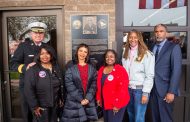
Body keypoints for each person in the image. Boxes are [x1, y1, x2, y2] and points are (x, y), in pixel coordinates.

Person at [10, 21, 48, 122]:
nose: (38, 35)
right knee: (28, 112)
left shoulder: (47, 47)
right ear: (31, 34)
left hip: (43, 86)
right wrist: (25, 67)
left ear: (43, 34)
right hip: (27, 85)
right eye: (35, 33)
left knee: (42, 112)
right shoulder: (23, 46)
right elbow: (13, 64)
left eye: (40, 33)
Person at [150, 24, 182, 122]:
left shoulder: (174, 47)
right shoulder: (152, 47)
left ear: (166, 33)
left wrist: (171, 91)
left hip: (165, 90)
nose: (158, 34)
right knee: (155, 118)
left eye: (161, 31)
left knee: (165, 119)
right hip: (152, 90)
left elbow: (176, 70)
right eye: (156, 31)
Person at [24, 45, 64, 122]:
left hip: (55, 106)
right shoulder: (33, 70)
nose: (45, 56)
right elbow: (28, 89)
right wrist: (35, 106)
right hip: (41, 108)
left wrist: (60, 98)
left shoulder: (56, 67)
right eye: (42, 54)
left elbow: (60, 85)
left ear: (51, 55)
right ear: (38, 55)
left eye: (47, 53)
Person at [122, 29, 155, 122]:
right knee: (131, 115)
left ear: (139, 39)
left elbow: (149, 75)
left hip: (140, 91)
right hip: (128, 90)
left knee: (139, 118)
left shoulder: (147, 54)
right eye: (131, 37)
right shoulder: (125, 52)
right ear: (128, 39)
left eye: (135, 37)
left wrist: (145, 93)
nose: (133, 39)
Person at [61, 43, 98, 122]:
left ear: (87, 54)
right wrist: (80, 99)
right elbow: (69, 84)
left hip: (88, 101)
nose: (82, 53)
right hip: (74, 101)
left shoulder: (92, 66)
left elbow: (94, 84)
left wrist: (87, 98)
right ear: (77, 52)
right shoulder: (70, 65)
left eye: (85, 52)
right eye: (81, 51)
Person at [96, 49, 130, 122]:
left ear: (115, 58)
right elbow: (99, 85)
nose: (109, 59)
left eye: (111, 56)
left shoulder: (120, 70)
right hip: (105, 103)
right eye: (107, 57)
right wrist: (98, 98)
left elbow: (123, 89)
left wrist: (117, 104)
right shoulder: (101, 69)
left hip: (116, 103)